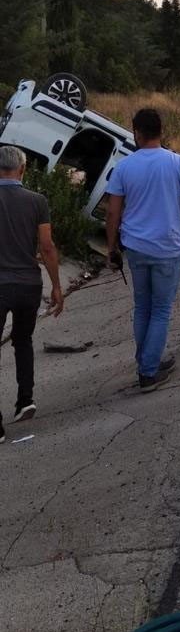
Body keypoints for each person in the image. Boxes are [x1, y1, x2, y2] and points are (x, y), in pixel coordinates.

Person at [106, 108, 180, 393]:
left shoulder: (124, 166)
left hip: (135, 247)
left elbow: (112, 212)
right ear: (161, 131)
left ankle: (148, 359)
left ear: (136, 132)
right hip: (168, 247)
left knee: (143, 307)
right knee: (161, 310)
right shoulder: (177, 163)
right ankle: (148, 372)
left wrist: (111, 247)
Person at [0, 145, 64, 443]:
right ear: (22, 169)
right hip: (29, 284)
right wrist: (56, 286)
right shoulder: (38, 201)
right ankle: (25, 399)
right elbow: (47, 247)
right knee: (23, 340)